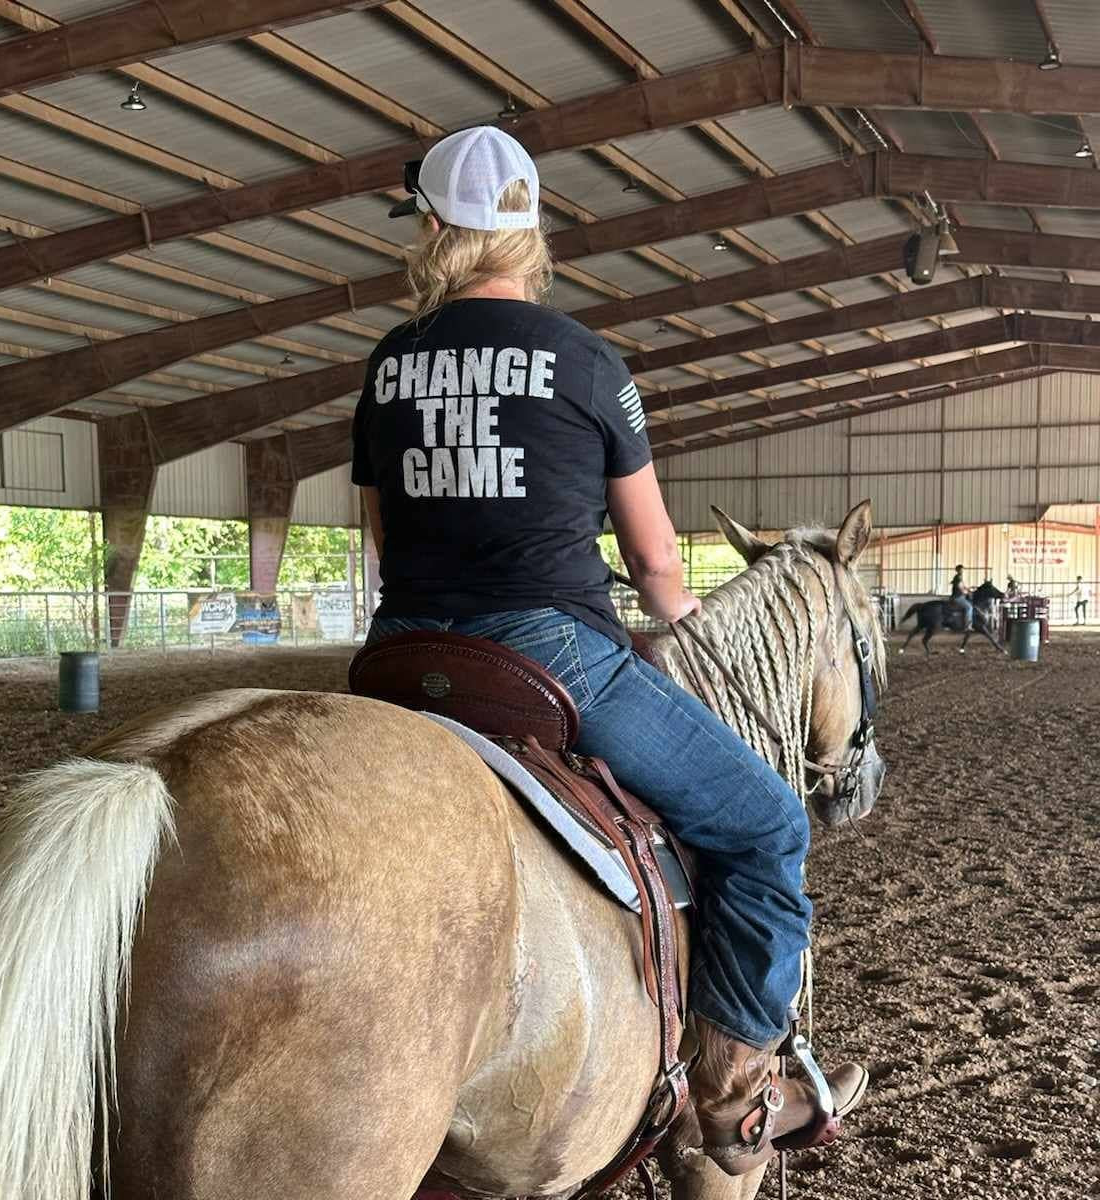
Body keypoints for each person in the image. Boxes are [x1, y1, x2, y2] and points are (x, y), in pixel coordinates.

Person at [351, 126, 865, 1176]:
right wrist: (670, 616)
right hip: (548, 656)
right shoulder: (585, 362)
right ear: (530, 232)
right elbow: (656, 558)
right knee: (766, 823)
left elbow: (380, 539)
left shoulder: (389, 364)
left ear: (431, 228)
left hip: (402, 651)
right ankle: (732, 1097)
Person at [949, 564, 974, 631]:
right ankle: (968, 626)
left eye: (962, 569)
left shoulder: (959, 577)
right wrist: (967, 592)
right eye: (961, 570)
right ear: (958, 570)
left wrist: (970, 589)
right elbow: (960, 588)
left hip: (960, 596)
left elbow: (963, 586)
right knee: (969, 607)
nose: (962, 571)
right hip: (957, 597)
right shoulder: (958, 577)